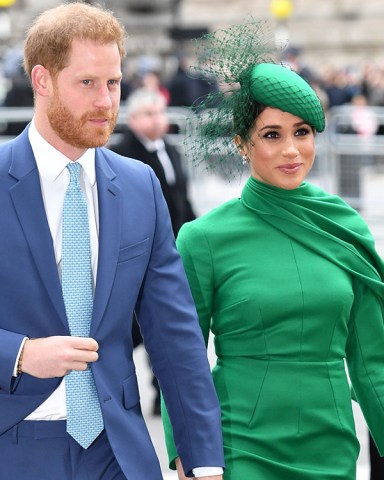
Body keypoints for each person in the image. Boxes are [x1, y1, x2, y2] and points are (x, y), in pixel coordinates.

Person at [0, 3, 224, 480]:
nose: (106, 101)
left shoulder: (140, 185)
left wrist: (203, 459)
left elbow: (174, 333)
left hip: (118, 451)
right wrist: (18, 355)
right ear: (42, 81)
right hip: (13, 442)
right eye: (88, 83)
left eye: (114, 83)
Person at [162, 20, 384, 480]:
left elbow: (371, 360)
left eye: (302, 132)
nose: (292, 150)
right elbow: (180, 360)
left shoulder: (345, 226)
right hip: (240, 448)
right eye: (271, 135)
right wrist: (189, 455)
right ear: (242, 144)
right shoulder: (203, 238)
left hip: (332, 448)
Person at [109, 87, 196, 415]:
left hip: (171, 251)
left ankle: (162, 395)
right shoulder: (122, 154)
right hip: (136, 258)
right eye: (148, 114)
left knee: (167, 329)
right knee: (129, 332)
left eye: (159, 113)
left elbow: (181, 200)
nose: (156, 120)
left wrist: (192, 234)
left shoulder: (170, 150)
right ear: (132, 119)